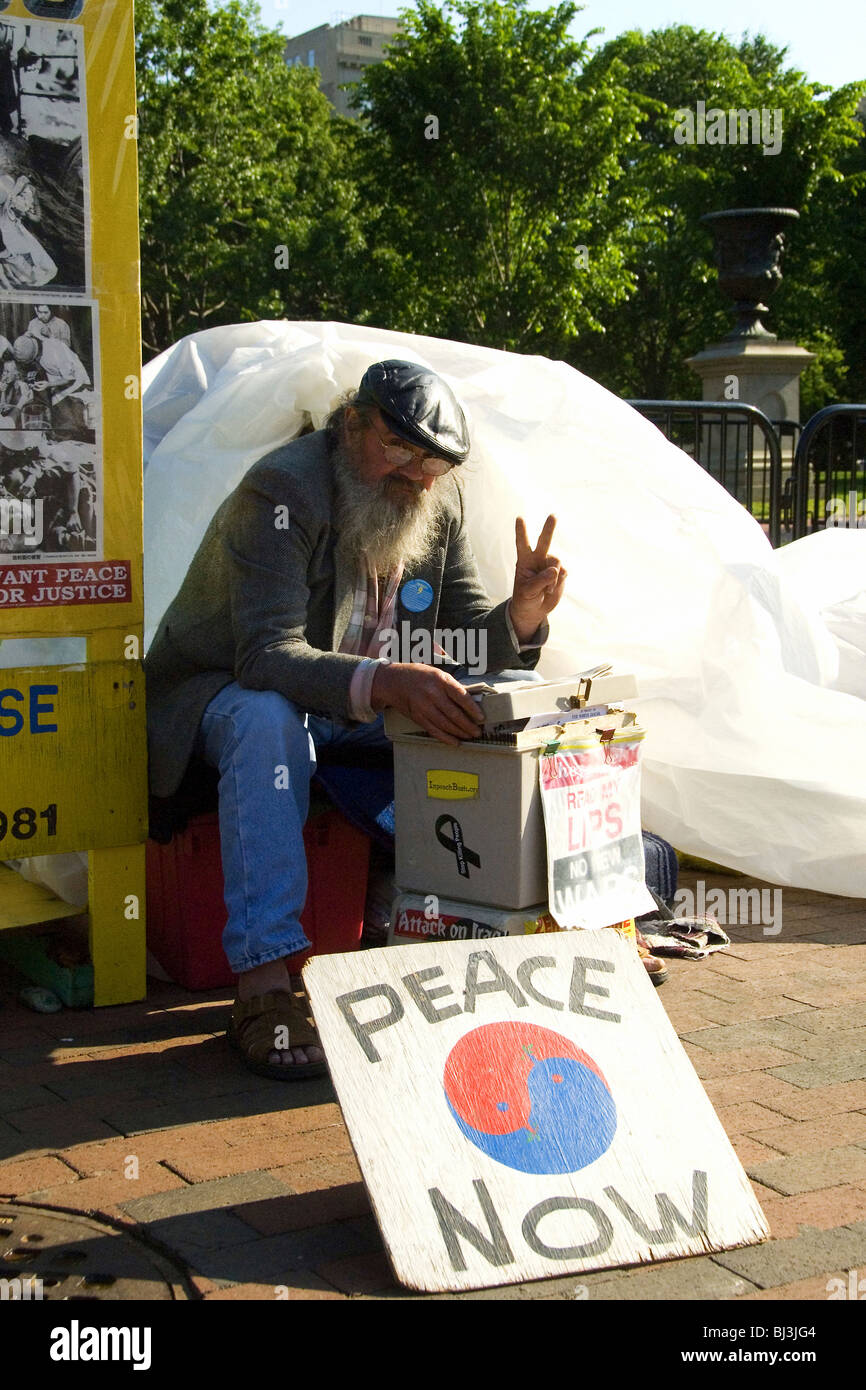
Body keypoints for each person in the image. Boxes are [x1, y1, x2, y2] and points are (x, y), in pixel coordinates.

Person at [145, 360, 568, 1079]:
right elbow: (265, 656)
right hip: (222, 694)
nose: (415, 476)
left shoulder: (437, 503)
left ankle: (552, 918)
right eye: (399, 451)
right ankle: (266, 987)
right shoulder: (283, 490)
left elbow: (461, 641)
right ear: (352, 424)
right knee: (263, 718)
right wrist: (391, 680)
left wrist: (521, 616)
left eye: (432, 462)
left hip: (355, 705)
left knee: (517, 692)